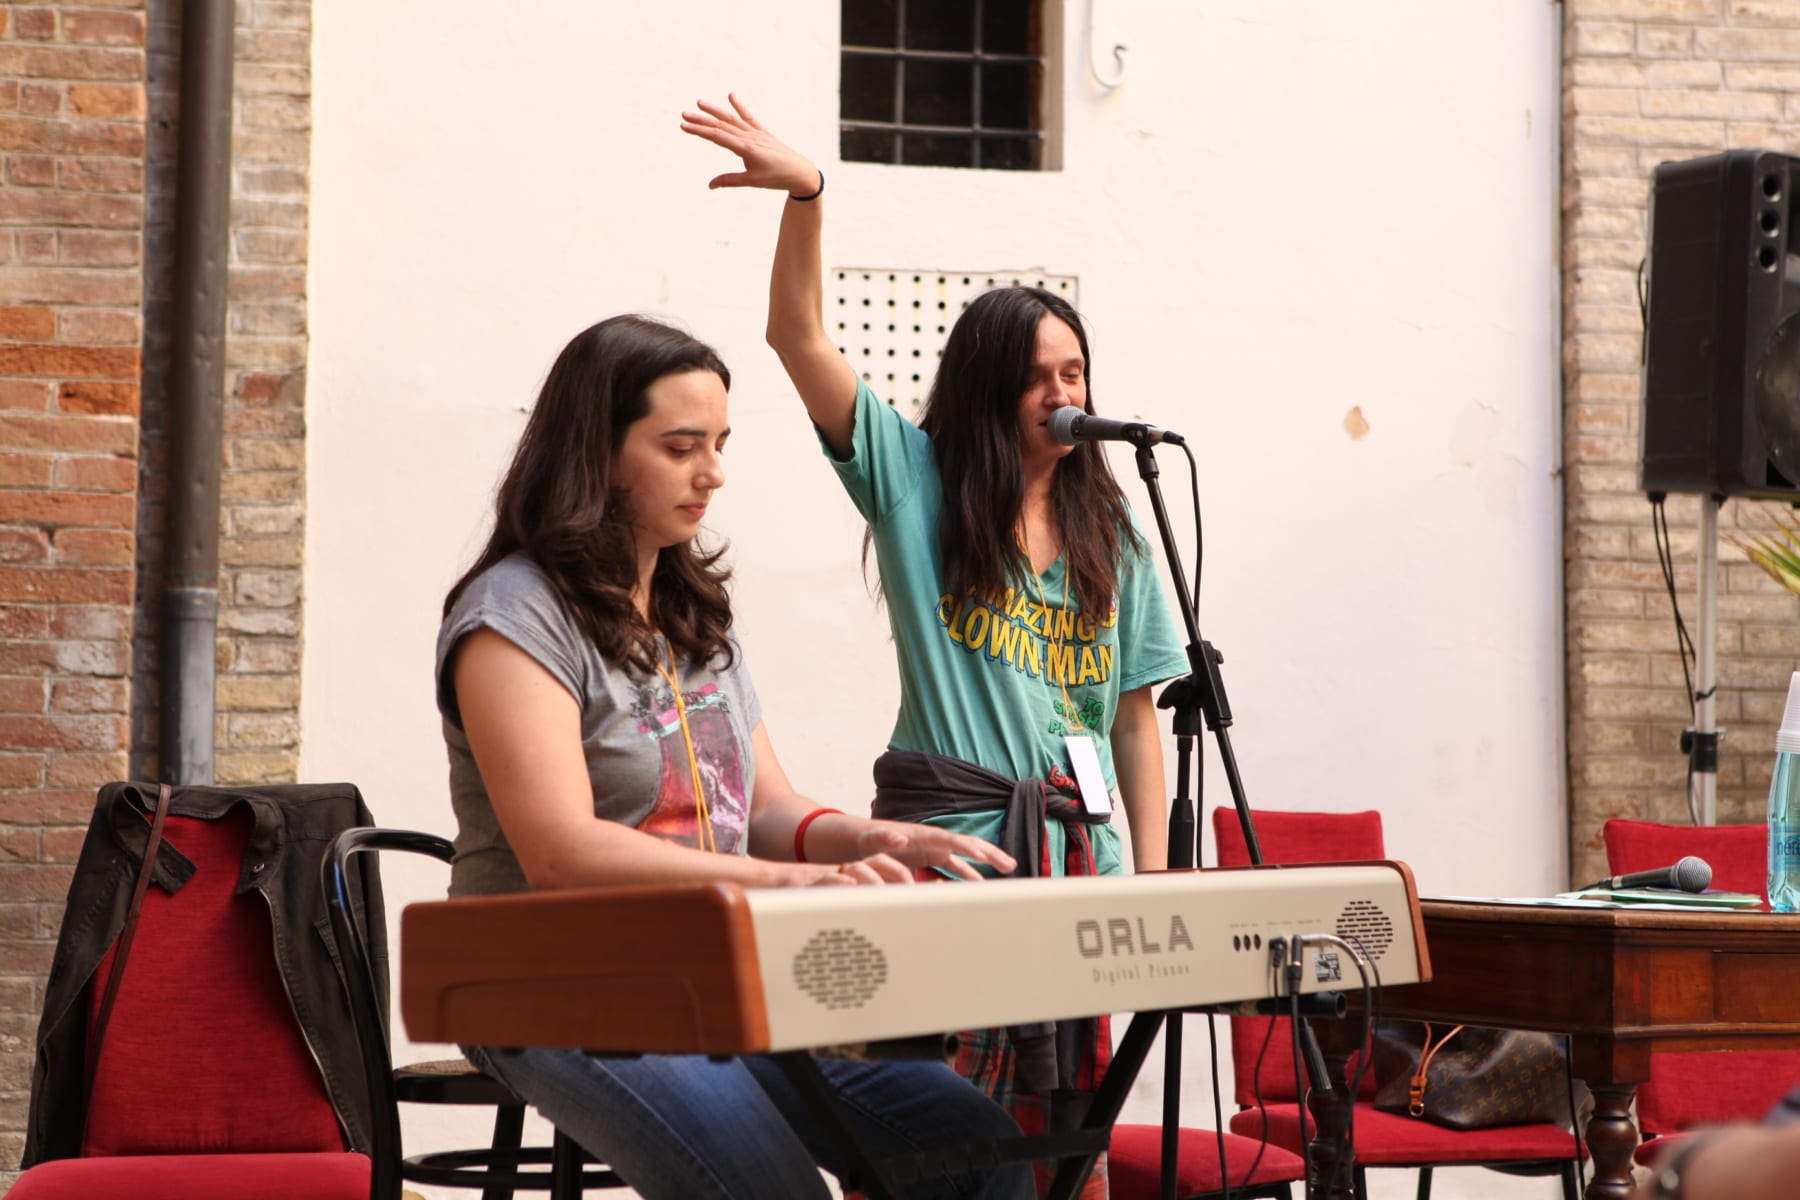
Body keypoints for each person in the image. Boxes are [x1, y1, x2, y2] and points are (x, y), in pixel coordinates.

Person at [684, 95, 1189, 1197]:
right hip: (950, 856)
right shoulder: (914, 479)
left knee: (1073, 1148)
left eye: (1075, 372)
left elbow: (1135, 721)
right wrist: (810, 195)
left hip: (1079, 869)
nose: (1063, 393)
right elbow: (798, 339)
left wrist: (1151, 887)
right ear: (988, 385)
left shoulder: (1114, 533)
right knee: (933, 1138)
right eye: (1040, 375)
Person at [435, 313, 1035, 1200]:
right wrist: (791, 884)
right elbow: (561, 851)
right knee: (773, 1190)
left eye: (719, 444)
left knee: (978, 1150)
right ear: (596, 454)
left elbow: (764, 809)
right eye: (681, 447)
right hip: (550, 977)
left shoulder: (690, 613)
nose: (713, 472)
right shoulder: (513, 617)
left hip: (710, 969)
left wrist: (873, 839)